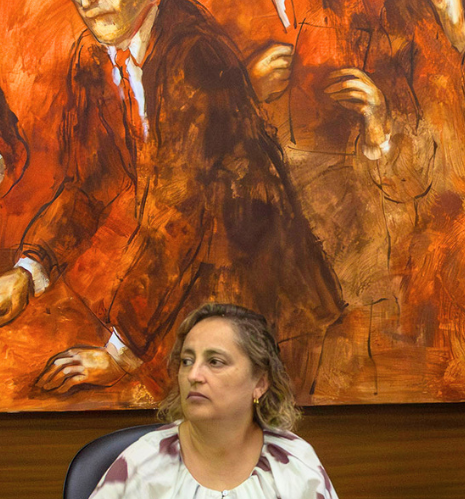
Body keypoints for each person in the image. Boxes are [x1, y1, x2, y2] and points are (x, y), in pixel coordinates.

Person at [0, 0, 343, 397]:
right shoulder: (92, 53)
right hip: (182, 290)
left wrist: (119, 353)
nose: (90, 2)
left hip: (263, 297)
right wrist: (29, 271)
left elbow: (183, 207)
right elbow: (90, 183)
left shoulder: (195, 50)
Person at [41, 303, 367, 499]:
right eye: (187, 361)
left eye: (215, 362)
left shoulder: (294, 461)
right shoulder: (143, 463)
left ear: (259, 382)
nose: (194, 375)